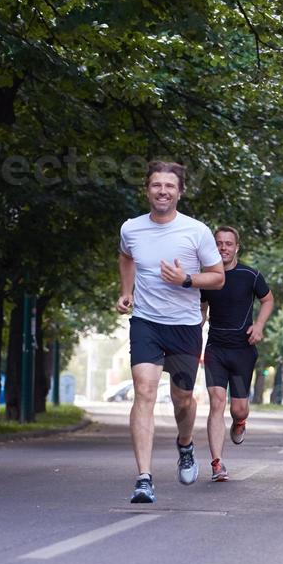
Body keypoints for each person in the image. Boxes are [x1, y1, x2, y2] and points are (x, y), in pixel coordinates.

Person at [116, 161, 225, 504]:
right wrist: (126, 290)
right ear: (147, 189)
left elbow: (218, 276)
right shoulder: (131, 228)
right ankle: (144, 478)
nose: (162, 191)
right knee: (144, 392)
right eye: (156, 185)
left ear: (180, 191)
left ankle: (185, 443)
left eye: (169, 186)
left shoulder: (196, 231)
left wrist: (186, 280)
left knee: (182, 399)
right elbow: (125, 256)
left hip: (185, 326)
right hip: (146, 323)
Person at [200, 226, 275, 482]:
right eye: (219, 243)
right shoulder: (206, 278)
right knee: (216, 403)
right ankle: (217, 463)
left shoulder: (250, 275)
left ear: (236, 247)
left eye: (228, 244)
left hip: (243, 351)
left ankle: (240, 422)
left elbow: (268, 300)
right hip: (215, 350)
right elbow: (200, 309)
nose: (223, 248)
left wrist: (260, 325)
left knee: (239, 409)